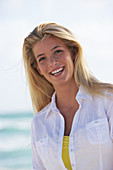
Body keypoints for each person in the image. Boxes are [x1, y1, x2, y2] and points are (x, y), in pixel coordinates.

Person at [23, 22, 113, 170]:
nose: (52, 62)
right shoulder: (39, 124)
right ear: (38, 69)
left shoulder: (108, 101)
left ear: (73, 52)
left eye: (57, 51)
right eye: (42, 59)